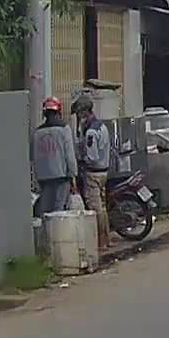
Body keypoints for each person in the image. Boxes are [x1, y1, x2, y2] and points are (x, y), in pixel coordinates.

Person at [72, 96, 111, 250]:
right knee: (103, 207)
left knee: (95, 208)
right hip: (103, 173)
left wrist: (81, 160)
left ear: (84, 112)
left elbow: (92, 157)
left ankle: (100, 242)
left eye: (78, 113)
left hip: (93, 174)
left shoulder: (91, 132)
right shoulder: (101, 126)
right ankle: (106, 239)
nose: (78, 117)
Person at [32, 97, 77, 218]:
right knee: (59, 212)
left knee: (45, 211)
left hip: (43, 178)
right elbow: (70, 156)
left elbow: (33, 157)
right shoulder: (64, 129)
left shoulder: (37, 133)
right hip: (61, 177)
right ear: (58, 111)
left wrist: (37, 178)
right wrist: (73, 175)